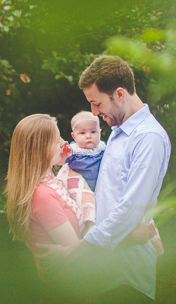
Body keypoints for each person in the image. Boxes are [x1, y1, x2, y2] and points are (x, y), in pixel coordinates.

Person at [38, 55, 171, 304]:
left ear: (121, 93)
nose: (95, 113)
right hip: (105, 270)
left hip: (126, 275)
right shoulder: (116, 137)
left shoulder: (148, 138)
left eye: (97, 103)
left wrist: (80, 251)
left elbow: (131, 208)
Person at [5, 114, 101, 304]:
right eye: (56, 138)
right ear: (39, 148)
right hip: (69, 302)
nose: (64, 142)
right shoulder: (43, 195)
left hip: (72, 299)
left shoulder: (52, 185)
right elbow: (75, 251)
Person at [58, 110, 164, 256]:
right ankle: (89, 243)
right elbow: (61, 163)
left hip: (101, 193)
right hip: (85, 192)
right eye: (82, 133)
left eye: (93, 131)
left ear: (100, 132)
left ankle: (154, 240)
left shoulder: (104, 148)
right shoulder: (73, 151)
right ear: (73, 136)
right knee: (89, 219)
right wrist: (63, 156)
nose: (88, 136)